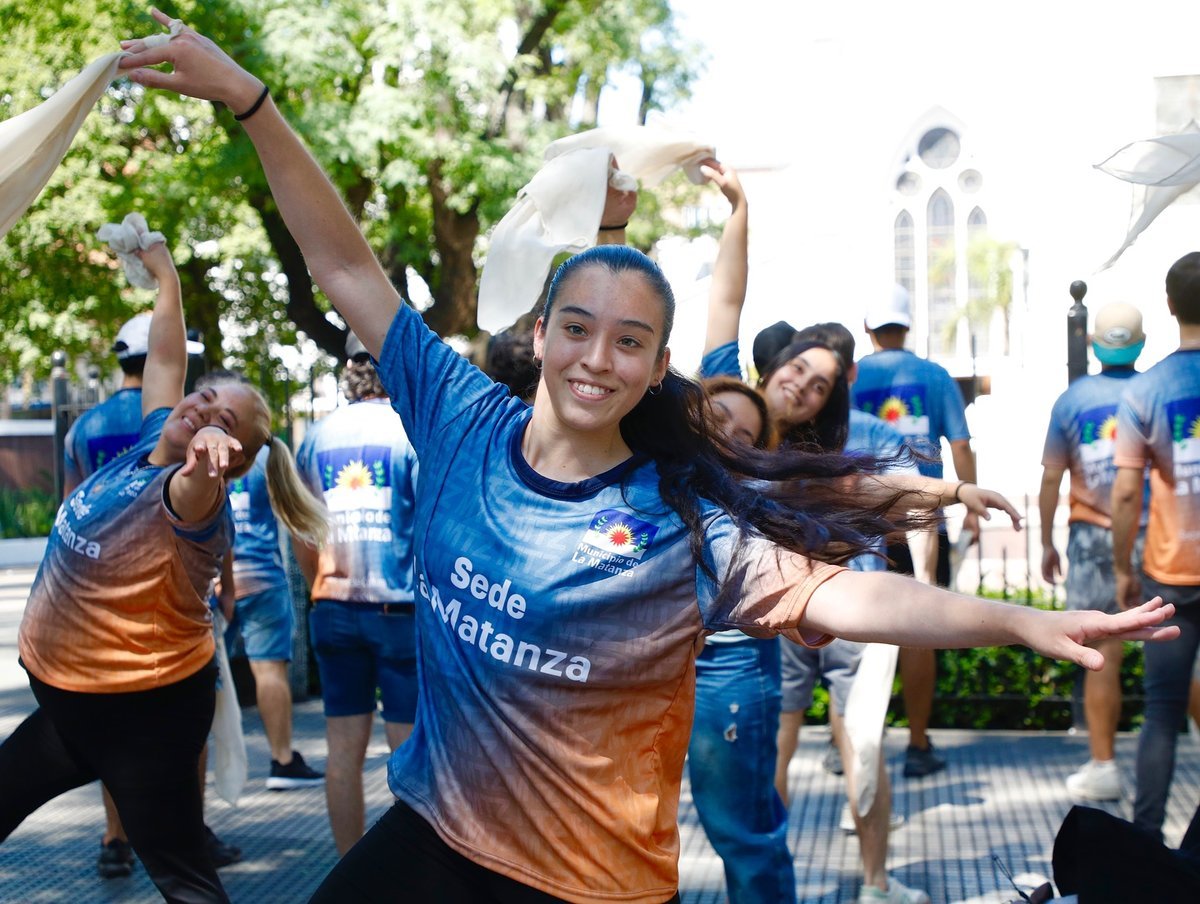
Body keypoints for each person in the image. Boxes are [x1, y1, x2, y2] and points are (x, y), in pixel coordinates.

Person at [119, 18, 1180, 901]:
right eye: (577, 327)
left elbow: (846, 601)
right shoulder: (457, 417)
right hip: (437, 837)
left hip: (588, 880)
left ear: (656, 364)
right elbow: (343, 260)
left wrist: (1023, 621)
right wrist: (249, 100)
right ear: (541, 334)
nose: (596, 356)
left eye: (628, 340)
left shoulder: (676, 522)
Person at [0, 235, 327, 903]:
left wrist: (208, 451)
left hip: (139, 717)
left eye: (222, 418)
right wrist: (166, 281)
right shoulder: (154, 439)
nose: (201, 409)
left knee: (184, 880)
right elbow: (167, 360)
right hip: (73, 703)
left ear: (231, 459)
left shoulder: (193, 499)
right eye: (205, 398)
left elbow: (196, 490)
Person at [293, 331, 420, 856]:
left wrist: (319, 588)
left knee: (341, 752)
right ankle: (409, 873)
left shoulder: (315, 438)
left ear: (347, 370)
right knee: (408, 758)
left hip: (333, 609)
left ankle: (351, 871)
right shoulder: (412, 433)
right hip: (401, 613)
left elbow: (301, 531)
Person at [853, 284, 978, 777]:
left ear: (868, 328)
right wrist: (968, 496)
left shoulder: (851, 377)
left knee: (857, 624)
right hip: (924, 515)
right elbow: (962, 444)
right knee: (919, 629)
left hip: (861, 519)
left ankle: (857, 740)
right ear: (908, 326)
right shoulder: (934, 375)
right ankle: (919, 744)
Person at [1039, 301, 1148, 802]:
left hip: (1090, 537)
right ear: (1141, 342)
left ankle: (1104, 766)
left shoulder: (1073, 399)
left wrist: (1045, 540)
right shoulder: (1155, 390)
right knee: (1188, 651)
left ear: (1093, 344)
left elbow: (1052, 476)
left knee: (1103, 648)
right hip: (1157, 533)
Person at [1112, 250, 1200, 839]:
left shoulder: (1146, 389)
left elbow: (1124, 494)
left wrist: (1123, 567)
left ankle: (1146, 843)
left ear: (1169, 306)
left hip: (1171, 569)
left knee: (1163, 713)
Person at [211, 371, 326, 792]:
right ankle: (281, 759)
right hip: (261, 580)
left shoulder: (197, 453)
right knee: (269, 672)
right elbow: (297, 522)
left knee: (206, 683)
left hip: (211, 584)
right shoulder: (264, 455)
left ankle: (200, 770)